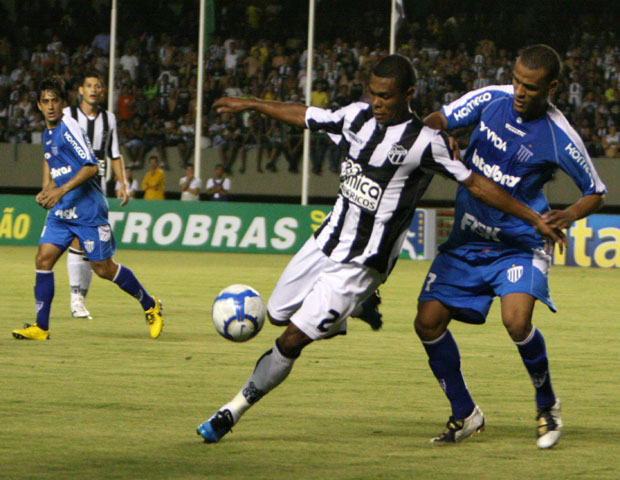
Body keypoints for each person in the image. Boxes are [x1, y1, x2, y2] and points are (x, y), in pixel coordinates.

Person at [196, 54, 565, 444]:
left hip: (362, 265)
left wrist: (532, 217)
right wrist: (253, 104)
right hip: (324, 244)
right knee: (274, 314)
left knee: (290, 340)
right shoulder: (355, 118)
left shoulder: (426, 143)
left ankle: (230, 411)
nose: (377, 103)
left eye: (386, 96)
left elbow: (475, 183)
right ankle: (351, 310)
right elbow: (306, 115)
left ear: (408, 94)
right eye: (372, 93)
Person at [415, 45, 606, 449]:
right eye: (517, 80)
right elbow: (434, 121)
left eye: (531, 87)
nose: (519, 91)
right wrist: (443, 136)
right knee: (427, 322)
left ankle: (547, 404)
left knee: (516, 321)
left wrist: (568, 215)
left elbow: (596, 192)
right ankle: (465, 413)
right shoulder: (491, 98)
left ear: (551, 88)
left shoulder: (559, 135)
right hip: (468, 239)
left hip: (520, 243)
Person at [11, 76, 163, 341]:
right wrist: (47, 188)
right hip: (63, 210)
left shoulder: (68, 127)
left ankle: (150, 304)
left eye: (55, 101)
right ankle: (41, 326)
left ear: (62, 103)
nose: (50, 106)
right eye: (44, 101)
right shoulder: (47, 132)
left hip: (88, 210)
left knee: (103, 269)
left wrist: (59, 190)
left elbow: (91, 166)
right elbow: (54, 163)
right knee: (43, 259)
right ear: (37, 105)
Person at [63, 71, 128, 320]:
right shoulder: (68, 115)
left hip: (96, 189)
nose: (93, 89)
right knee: (77, 240)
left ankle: (79, 299)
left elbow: (114, 153)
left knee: (89, 247)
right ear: (80, 90)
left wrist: (122, 183)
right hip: (70, 186)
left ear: (101, 91)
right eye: (88, 85)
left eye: (97, 86)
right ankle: (76, 299)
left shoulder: (108, 119)